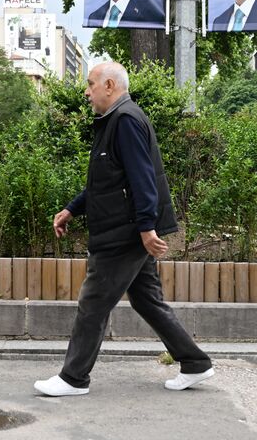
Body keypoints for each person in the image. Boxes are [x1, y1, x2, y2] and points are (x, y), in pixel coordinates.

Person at [35, 62, 215, 397]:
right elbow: (107, 181)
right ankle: (195, 363)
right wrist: (71, 209)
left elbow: (142, 178)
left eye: (90, 85)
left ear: (108, 85)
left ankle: (73, 378)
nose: (86, 92)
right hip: (127, 229)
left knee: (93, 301)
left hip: (123, 232)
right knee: (147, 301)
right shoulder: (113, 121)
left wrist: (146, 228)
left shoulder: (126, 121)